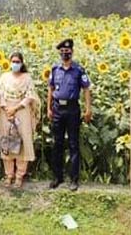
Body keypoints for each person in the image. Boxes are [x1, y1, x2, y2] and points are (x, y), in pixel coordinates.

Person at [47, 39, 93, 191]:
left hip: (73, 110)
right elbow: (51, 89)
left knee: (73, 144)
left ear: (72, 52)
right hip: (57, 109)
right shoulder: (55, 69)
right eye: (63, 52)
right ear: (59, 53)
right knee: (57, 144)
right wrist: (49, 108)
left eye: (67, 51)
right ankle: (57, 177)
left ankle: (74, 179)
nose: (65, 54)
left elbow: (86, 89)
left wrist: (88, 109)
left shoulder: (79, 70)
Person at [0, 52, 39, 189]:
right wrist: (6, 108)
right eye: (13, 61)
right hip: (6, 112)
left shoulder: (27, 78)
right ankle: (9, 174)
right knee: (7, 141)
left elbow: (30, 96)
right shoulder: (4, 77)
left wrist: (15, 108)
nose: (15, 64)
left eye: (17, 61)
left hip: (22, 111)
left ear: (21, 63)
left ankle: (20, 175)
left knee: (22, 142)